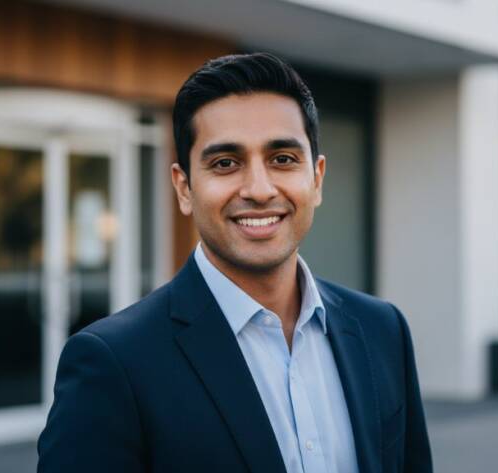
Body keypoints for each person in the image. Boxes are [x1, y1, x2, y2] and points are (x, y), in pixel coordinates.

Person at [37, 52, 432, 473]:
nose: (260, 189)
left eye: (282, 159)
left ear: (316, 179)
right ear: (184, 188)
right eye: (226, 163)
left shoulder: (382, 330)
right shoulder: (114, 364)